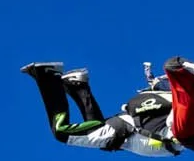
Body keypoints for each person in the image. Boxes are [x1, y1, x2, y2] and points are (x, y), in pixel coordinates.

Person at [21, 61, 181, 155]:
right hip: (124, 131)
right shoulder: (182, 120)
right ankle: (48, 76)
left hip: (124, 131)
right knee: (61, 132)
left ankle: (78, 86)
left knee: (96, 126)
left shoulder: (181, 122)